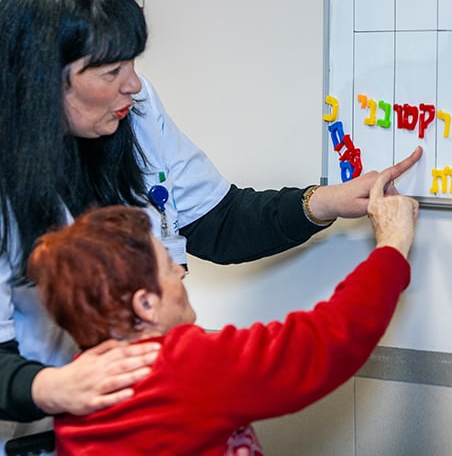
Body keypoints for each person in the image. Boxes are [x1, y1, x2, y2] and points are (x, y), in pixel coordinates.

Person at [0, 0, 422, 446]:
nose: (133, 84)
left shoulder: (131, 107)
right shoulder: (191, 371)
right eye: (112, 70)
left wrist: (323, 202)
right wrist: (53, 386)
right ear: (42, 80)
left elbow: (215, 222)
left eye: (133, 63)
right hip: (33, 414)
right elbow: (322, 344)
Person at [27, 169, 419, 455]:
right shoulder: (182, 365)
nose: (181, 270)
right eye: (168, 266)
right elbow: (323, 341)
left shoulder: (80, 385)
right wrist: (392, 246)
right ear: (145, 305)